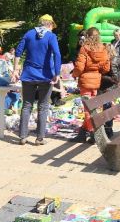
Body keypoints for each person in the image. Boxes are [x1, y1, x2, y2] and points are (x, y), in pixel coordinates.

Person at [13, 14, 62, 146]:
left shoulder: (29, 33)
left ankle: (22, 136)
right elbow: (57, 54)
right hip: (46, 75)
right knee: (43, 106)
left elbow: (18, 51)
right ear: (50, 24)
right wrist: (57, 73)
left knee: (27, 105)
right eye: (52, 26)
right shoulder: (51, 36)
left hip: (28, 74)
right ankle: (39, 138)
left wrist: (15, 69)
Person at [72, 27, 110, 142]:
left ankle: (93, 132)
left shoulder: (84, 48)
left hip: (85, 81)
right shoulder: (103, 49)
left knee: (88, 108)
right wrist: (98, 71)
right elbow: (106, 67)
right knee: (93, 107)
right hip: (96, 79)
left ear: (88, 36)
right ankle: (83, 133)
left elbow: (79, 67)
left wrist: (74, 74)